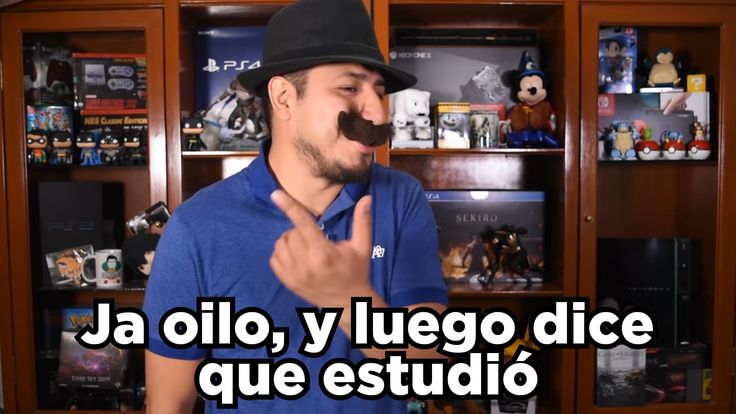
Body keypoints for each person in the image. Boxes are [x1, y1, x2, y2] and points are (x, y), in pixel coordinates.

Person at [142, 0, 448, 412]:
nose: (376, 112)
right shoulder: (196, 227)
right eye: (350, 88)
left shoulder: (402, 198)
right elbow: (168, 404)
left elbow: (430, 370)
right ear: (284, 97)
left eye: (379, 91)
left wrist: (349, 302)